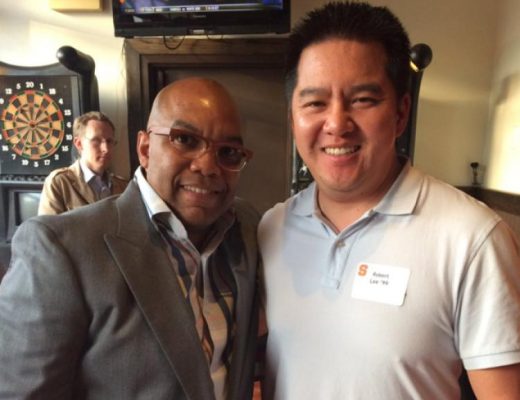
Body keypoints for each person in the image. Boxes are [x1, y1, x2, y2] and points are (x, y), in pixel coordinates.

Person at [258, 2, 520, 399]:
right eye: (314, 103)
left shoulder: (472, 238)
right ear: (293, 119)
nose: (336, 124)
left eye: (362, 99)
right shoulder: (272, 229)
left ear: (401, 113)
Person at [0, 77, 260, 399]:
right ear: (145, 148)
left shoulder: (246, 227)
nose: (208, 166)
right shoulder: (59, 249)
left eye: (229, 152)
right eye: (185, 139)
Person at [38, 111, 128, 215]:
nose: (106, 149)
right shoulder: (59, 183)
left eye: (109, 141)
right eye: (96, 141)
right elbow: (48, 225)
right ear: (79, 144)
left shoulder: (123, 186)